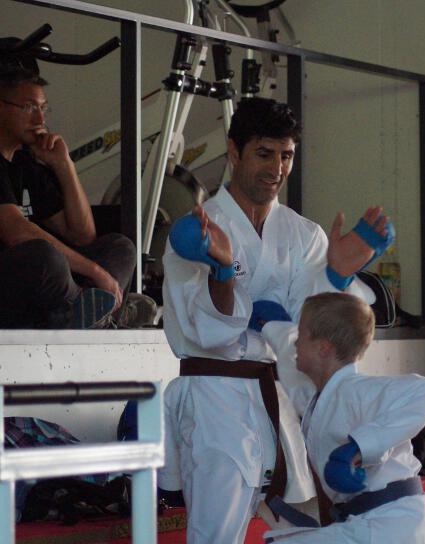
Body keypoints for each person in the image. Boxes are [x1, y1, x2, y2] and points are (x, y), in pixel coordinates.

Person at [159, 97, 393, 544]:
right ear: (233, 152)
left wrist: (337, 274)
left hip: (284, 394)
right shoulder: (200, 229)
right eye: (264, 153)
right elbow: (204, 329)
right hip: (218, 397)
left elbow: (319, 327)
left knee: (315, 530)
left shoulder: (304, 233)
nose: (277, 168)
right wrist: (223, 272)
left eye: (286, 155)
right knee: (215, 535)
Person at [259, 292, 425, 543]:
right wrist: (273, 327)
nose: (295, 344)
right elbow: (291, 370)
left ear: (323, 348)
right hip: (368, 524)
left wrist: (358, 447)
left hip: (392, 525)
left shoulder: (359, 390)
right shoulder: (318, 395)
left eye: (301, 337)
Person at [0, 39, 137, 329]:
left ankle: (88, 311)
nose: (40, 119)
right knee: (44, 255)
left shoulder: (27, 164)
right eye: (28, 107)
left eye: (43, 108)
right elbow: (16, 232)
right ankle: (90, 311)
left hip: (45, 295)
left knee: (120, 246)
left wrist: (64, 166)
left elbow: (83, 235)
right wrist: (96, 272)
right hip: (11, 286)